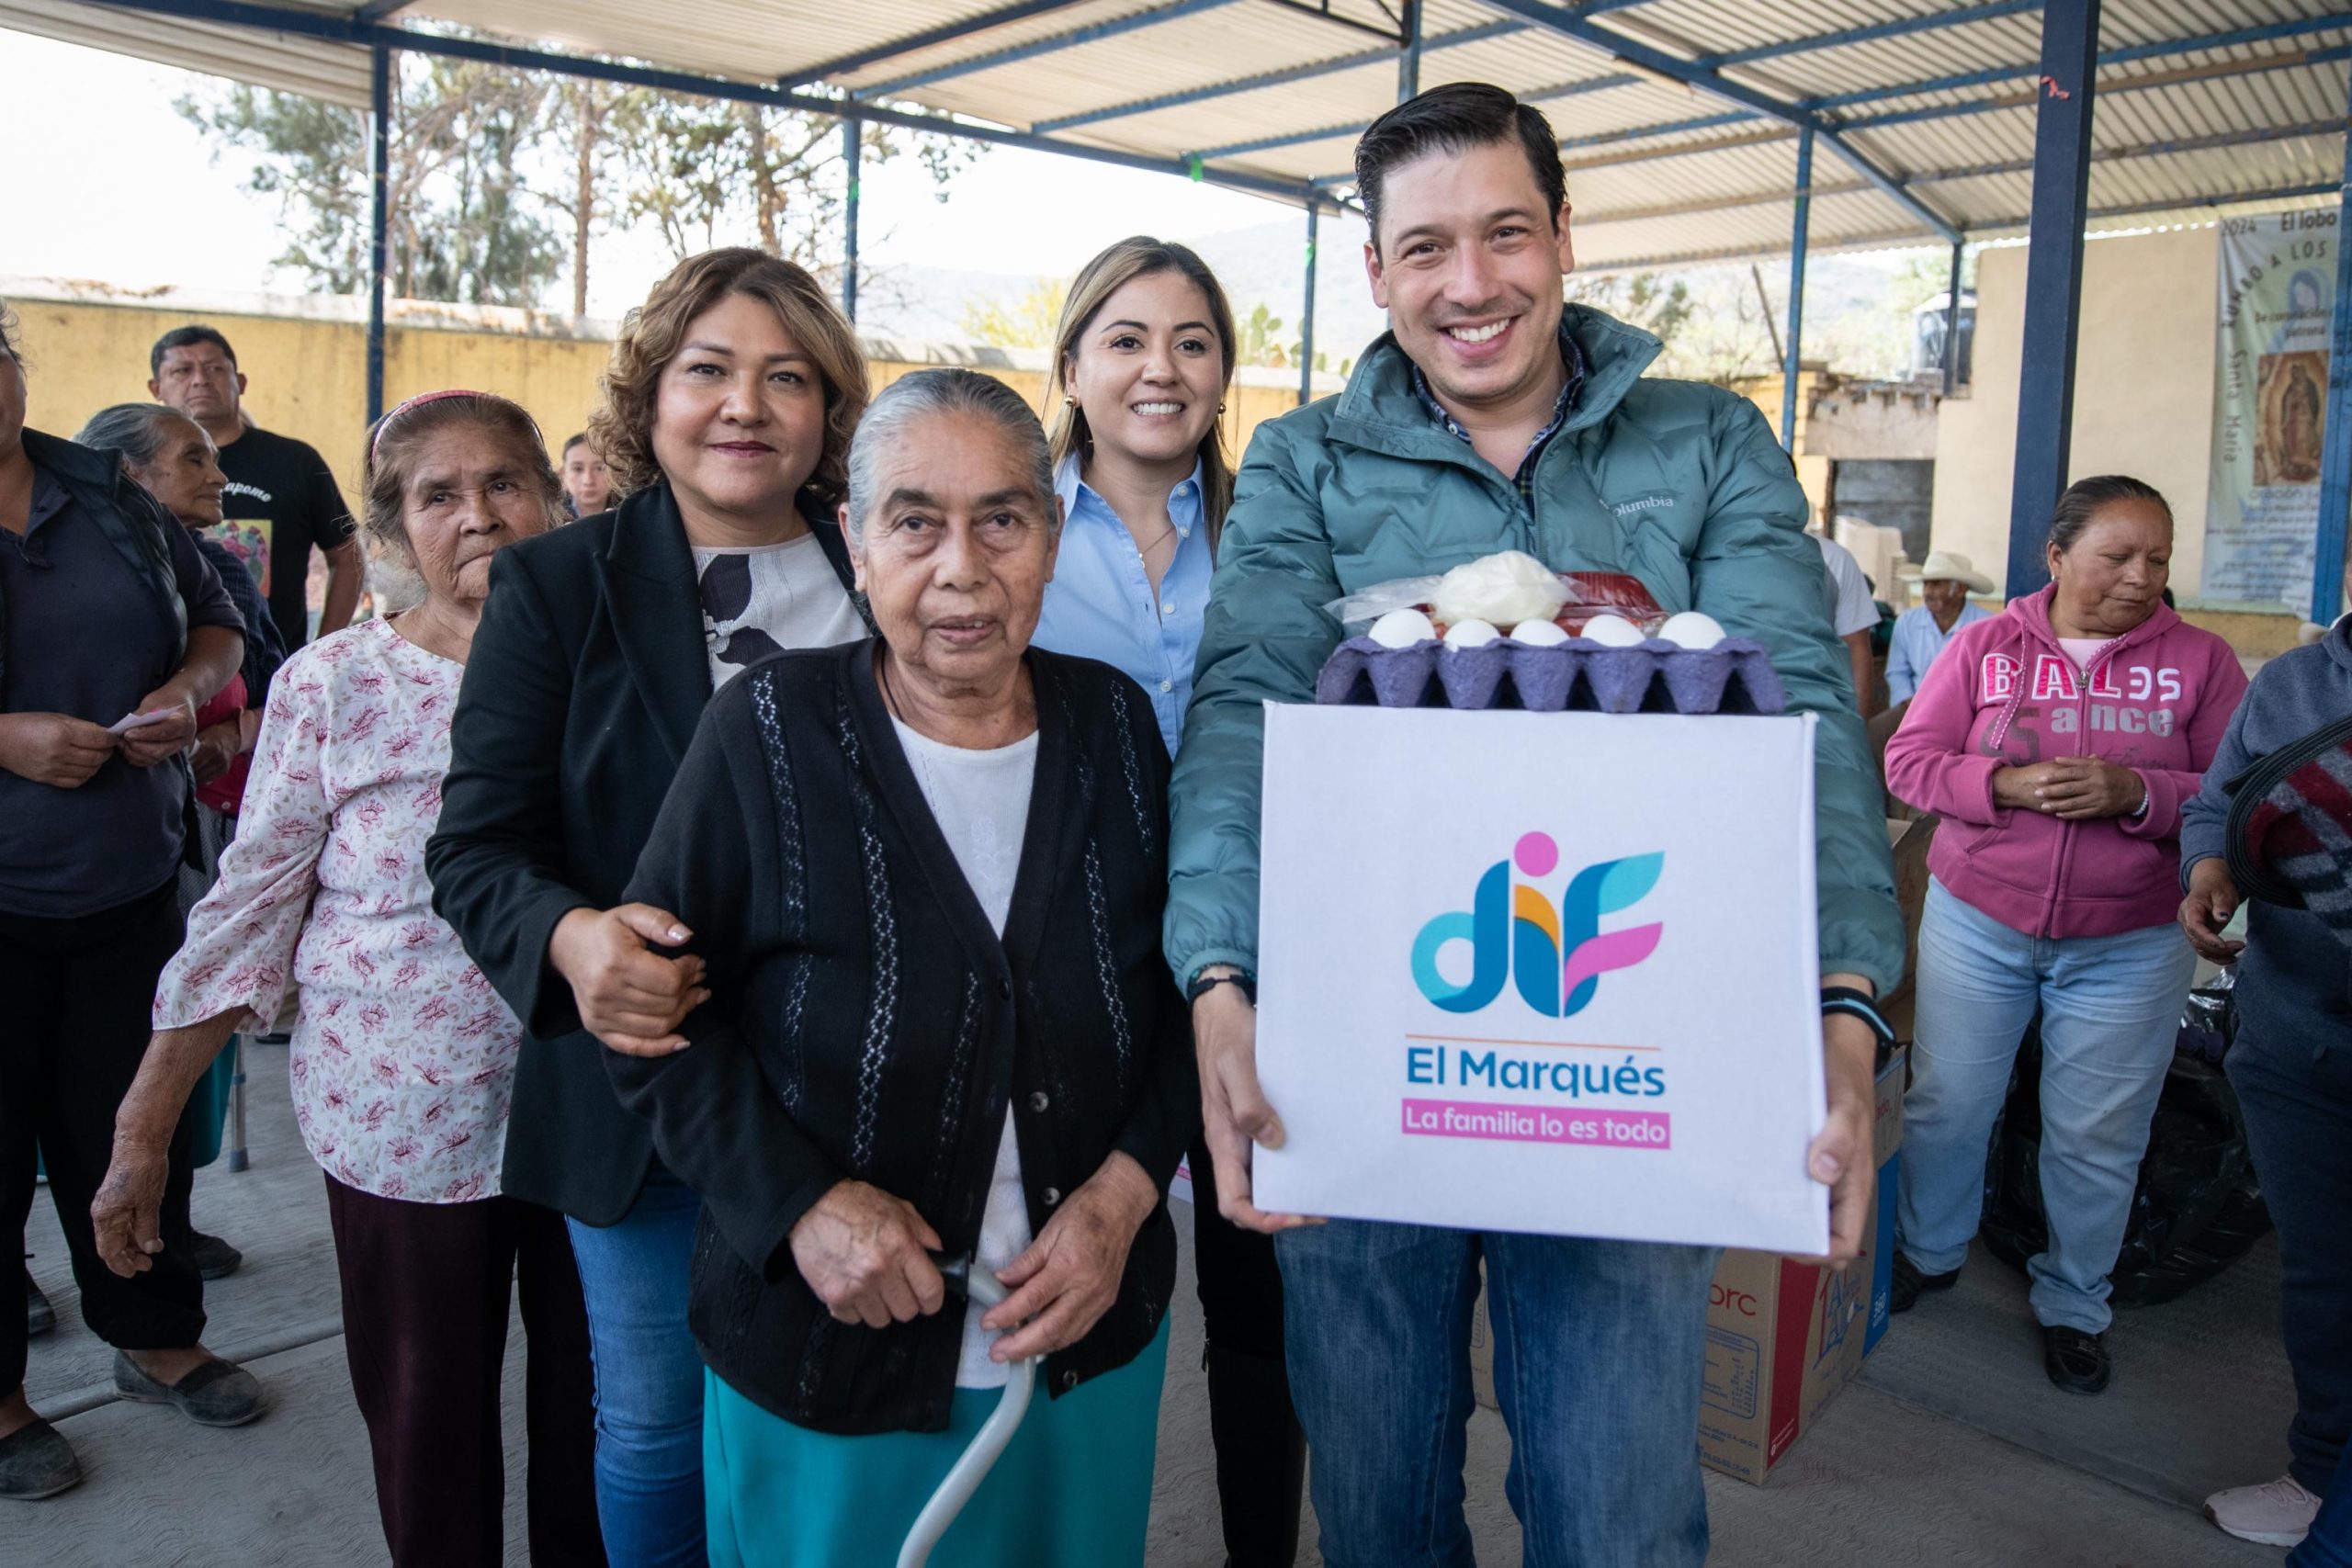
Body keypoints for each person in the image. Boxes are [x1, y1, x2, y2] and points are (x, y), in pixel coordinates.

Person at [1166, 85, 1902, 1565]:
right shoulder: (1307, 462)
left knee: (1615, 1509)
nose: (1471, 283)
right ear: (1375, 270)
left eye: (1506, 232)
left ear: (1564, 233)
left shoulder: (1708, 441)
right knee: (1376, 1498)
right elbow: (1243, 714)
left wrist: (1842, 999)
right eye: (1425, 247)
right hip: (1367, 1038)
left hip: (1626, 1043)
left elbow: (1805, 722)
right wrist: (1221, 976)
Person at [605, 367, 1193, 1567]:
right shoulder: (765, 730)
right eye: (915, 522)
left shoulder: (1116, 727)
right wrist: (797, 1206)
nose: (961, 568)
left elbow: (1180, 998)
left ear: (1050, 538)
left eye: (1002, 520)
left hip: (1082, 1343)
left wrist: (1123, 1199)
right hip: (829, 1356)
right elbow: (654, 1018)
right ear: (856, 544)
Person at [90, 390, 602, 1565]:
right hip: (402, 1116)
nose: (477, 516)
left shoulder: (619, 668)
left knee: (604, 1415)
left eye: (504, 484)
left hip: (598, 1107)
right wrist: (144, 1127)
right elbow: (250, 905)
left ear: (552, 501)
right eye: (438, 495)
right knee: (427, 1419)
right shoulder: (336, 683)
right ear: (393, 529)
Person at [427, 248, 872, 1567]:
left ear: (828, 409)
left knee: (838, 1413)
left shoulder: (885, 561)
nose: (745, 405)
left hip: (861, 1083)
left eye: (786, 378)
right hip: (646, 1096)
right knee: (656, 1430)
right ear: (651, 394)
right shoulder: (558, 585)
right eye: (709, 370)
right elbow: (476, 847)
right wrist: (573, 939)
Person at [1027, 236, 1303, 1567]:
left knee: (1259, 1295)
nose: (1161, 368)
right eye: (1127, 339)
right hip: (1061, 956)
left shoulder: (1274, 536)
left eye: (1194, 342)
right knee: (1071, 1268)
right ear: (1072, 364)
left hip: (1249, 952)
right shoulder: (1009, 528)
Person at [1883, 474, 2246, 1394]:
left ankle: (2076, 1301)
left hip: (2130, 938)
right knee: (1949, 1101)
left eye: (2156, 559)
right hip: (1980, 920)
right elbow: (1909, 762)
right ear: (2055, 556)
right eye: (2116, 556)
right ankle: (1927, 1251)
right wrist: (2001, 784)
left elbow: (2233, 793)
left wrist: (2138, 792)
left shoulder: (2202, 662)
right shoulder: (1984, 645)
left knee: (2097, 1133)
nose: (2139, 577)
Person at [0, 301, 260, 1504]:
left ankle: (154, 1336)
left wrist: (184, 691)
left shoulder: (107, 492)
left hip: (128, 878)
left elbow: (222, 623)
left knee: (127, 1125)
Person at [74, 401, 293, 1283]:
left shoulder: (218, 567)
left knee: (170, 1014)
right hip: (55, 844)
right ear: (128, 475)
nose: (218, 475)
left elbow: (271, 677)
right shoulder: (59, 567)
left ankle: (165, 1221)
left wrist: (227, 736)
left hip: (184, 828)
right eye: (193, 459)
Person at [2178, 571, 2352, 1551]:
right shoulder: (2291, 685)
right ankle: (2318, 1471)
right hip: (2294, 1038)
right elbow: (2218, 804)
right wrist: (2210, 870)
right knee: (2323, 1274)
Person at [149, 323, 363, 649]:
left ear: (241, 382)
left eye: (215, 368)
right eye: (182, 370)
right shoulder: (142, 466)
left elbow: (347, 554)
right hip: (169, 664)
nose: (200, 379)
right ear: (156, 389)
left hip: (276, 666)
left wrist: (324, 649)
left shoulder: (295, 461)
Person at [1886, 548, 1995, 707]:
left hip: (1968, 711)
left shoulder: (1986, 626)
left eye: (1937, 585)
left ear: (1960, 589)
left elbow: (1990, 681)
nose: (1928, 592)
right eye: (1925, 584)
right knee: (1877, 724)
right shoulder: (1907, 622)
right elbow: (1897, 672)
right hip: (1915, 707)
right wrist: (1913, 706)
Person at [1814, 527, 1881, 716]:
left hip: (1820, 711)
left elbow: (1857, 649)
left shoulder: (1833, 558)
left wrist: (1858, 722)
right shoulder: (1731, 551)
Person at [563, 432, 614, 520]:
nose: (588, 481)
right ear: (563, 475)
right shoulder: (550, 519)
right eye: (578, 469)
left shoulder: (630, 513)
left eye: (599, 468)